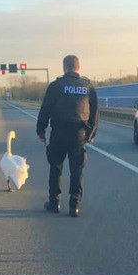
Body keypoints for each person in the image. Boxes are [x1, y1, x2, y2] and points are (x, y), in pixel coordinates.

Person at [36, 55, 99, 217]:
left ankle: (54, 203)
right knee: (76, 169)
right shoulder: (88, 87)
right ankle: (74, 206)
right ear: (78, 67)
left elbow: (46, 110)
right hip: (79, 133)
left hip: (59, 132)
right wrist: (91, 134)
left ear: (64, 67)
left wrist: (41, 131)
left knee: (56, 166)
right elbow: (95, 114)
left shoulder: (56, 86)